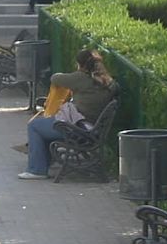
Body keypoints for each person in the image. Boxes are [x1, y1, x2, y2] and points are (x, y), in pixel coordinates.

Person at [19, 49, 118, 180]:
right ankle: (42, 164)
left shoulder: (81, 78)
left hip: (77, 130)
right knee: (44, 125)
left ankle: (37, 170)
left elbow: (55, 78)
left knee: (34, 125)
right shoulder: (110, 83)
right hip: (91, 128)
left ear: (80, 64)